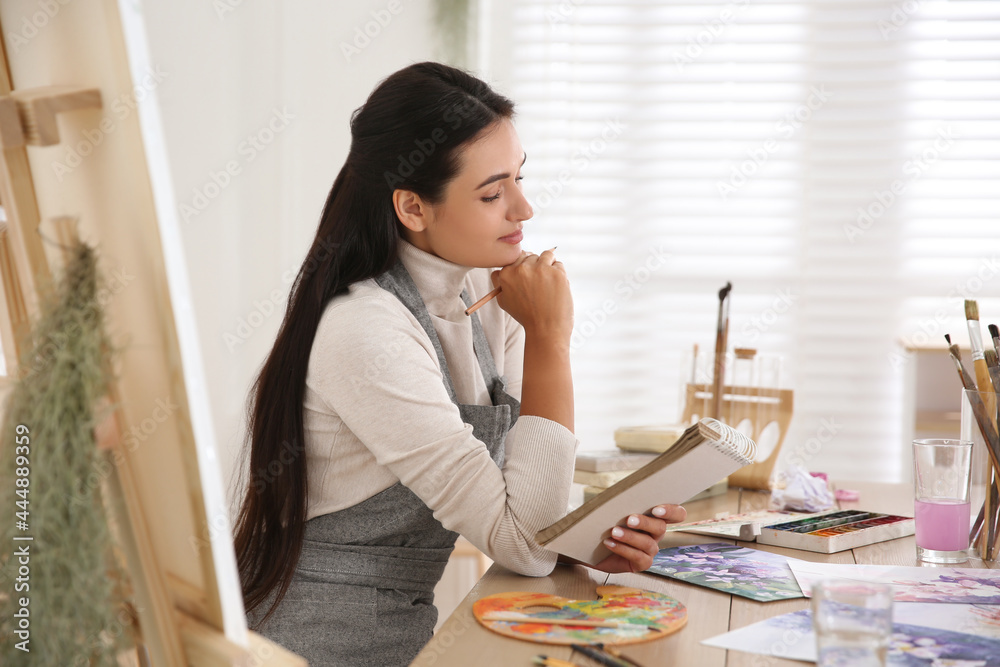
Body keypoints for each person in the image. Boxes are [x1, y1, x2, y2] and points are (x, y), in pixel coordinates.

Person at [232, 61, 686, 667]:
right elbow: (523, 545)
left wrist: (584, 545)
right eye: (493, 192)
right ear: (413, 208)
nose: (524, 209)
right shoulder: (367, 330)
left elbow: (527, 517)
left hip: (402, 631)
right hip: (317, 644)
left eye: (520, 178)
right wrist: (552, 339)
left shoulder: (493, 296)